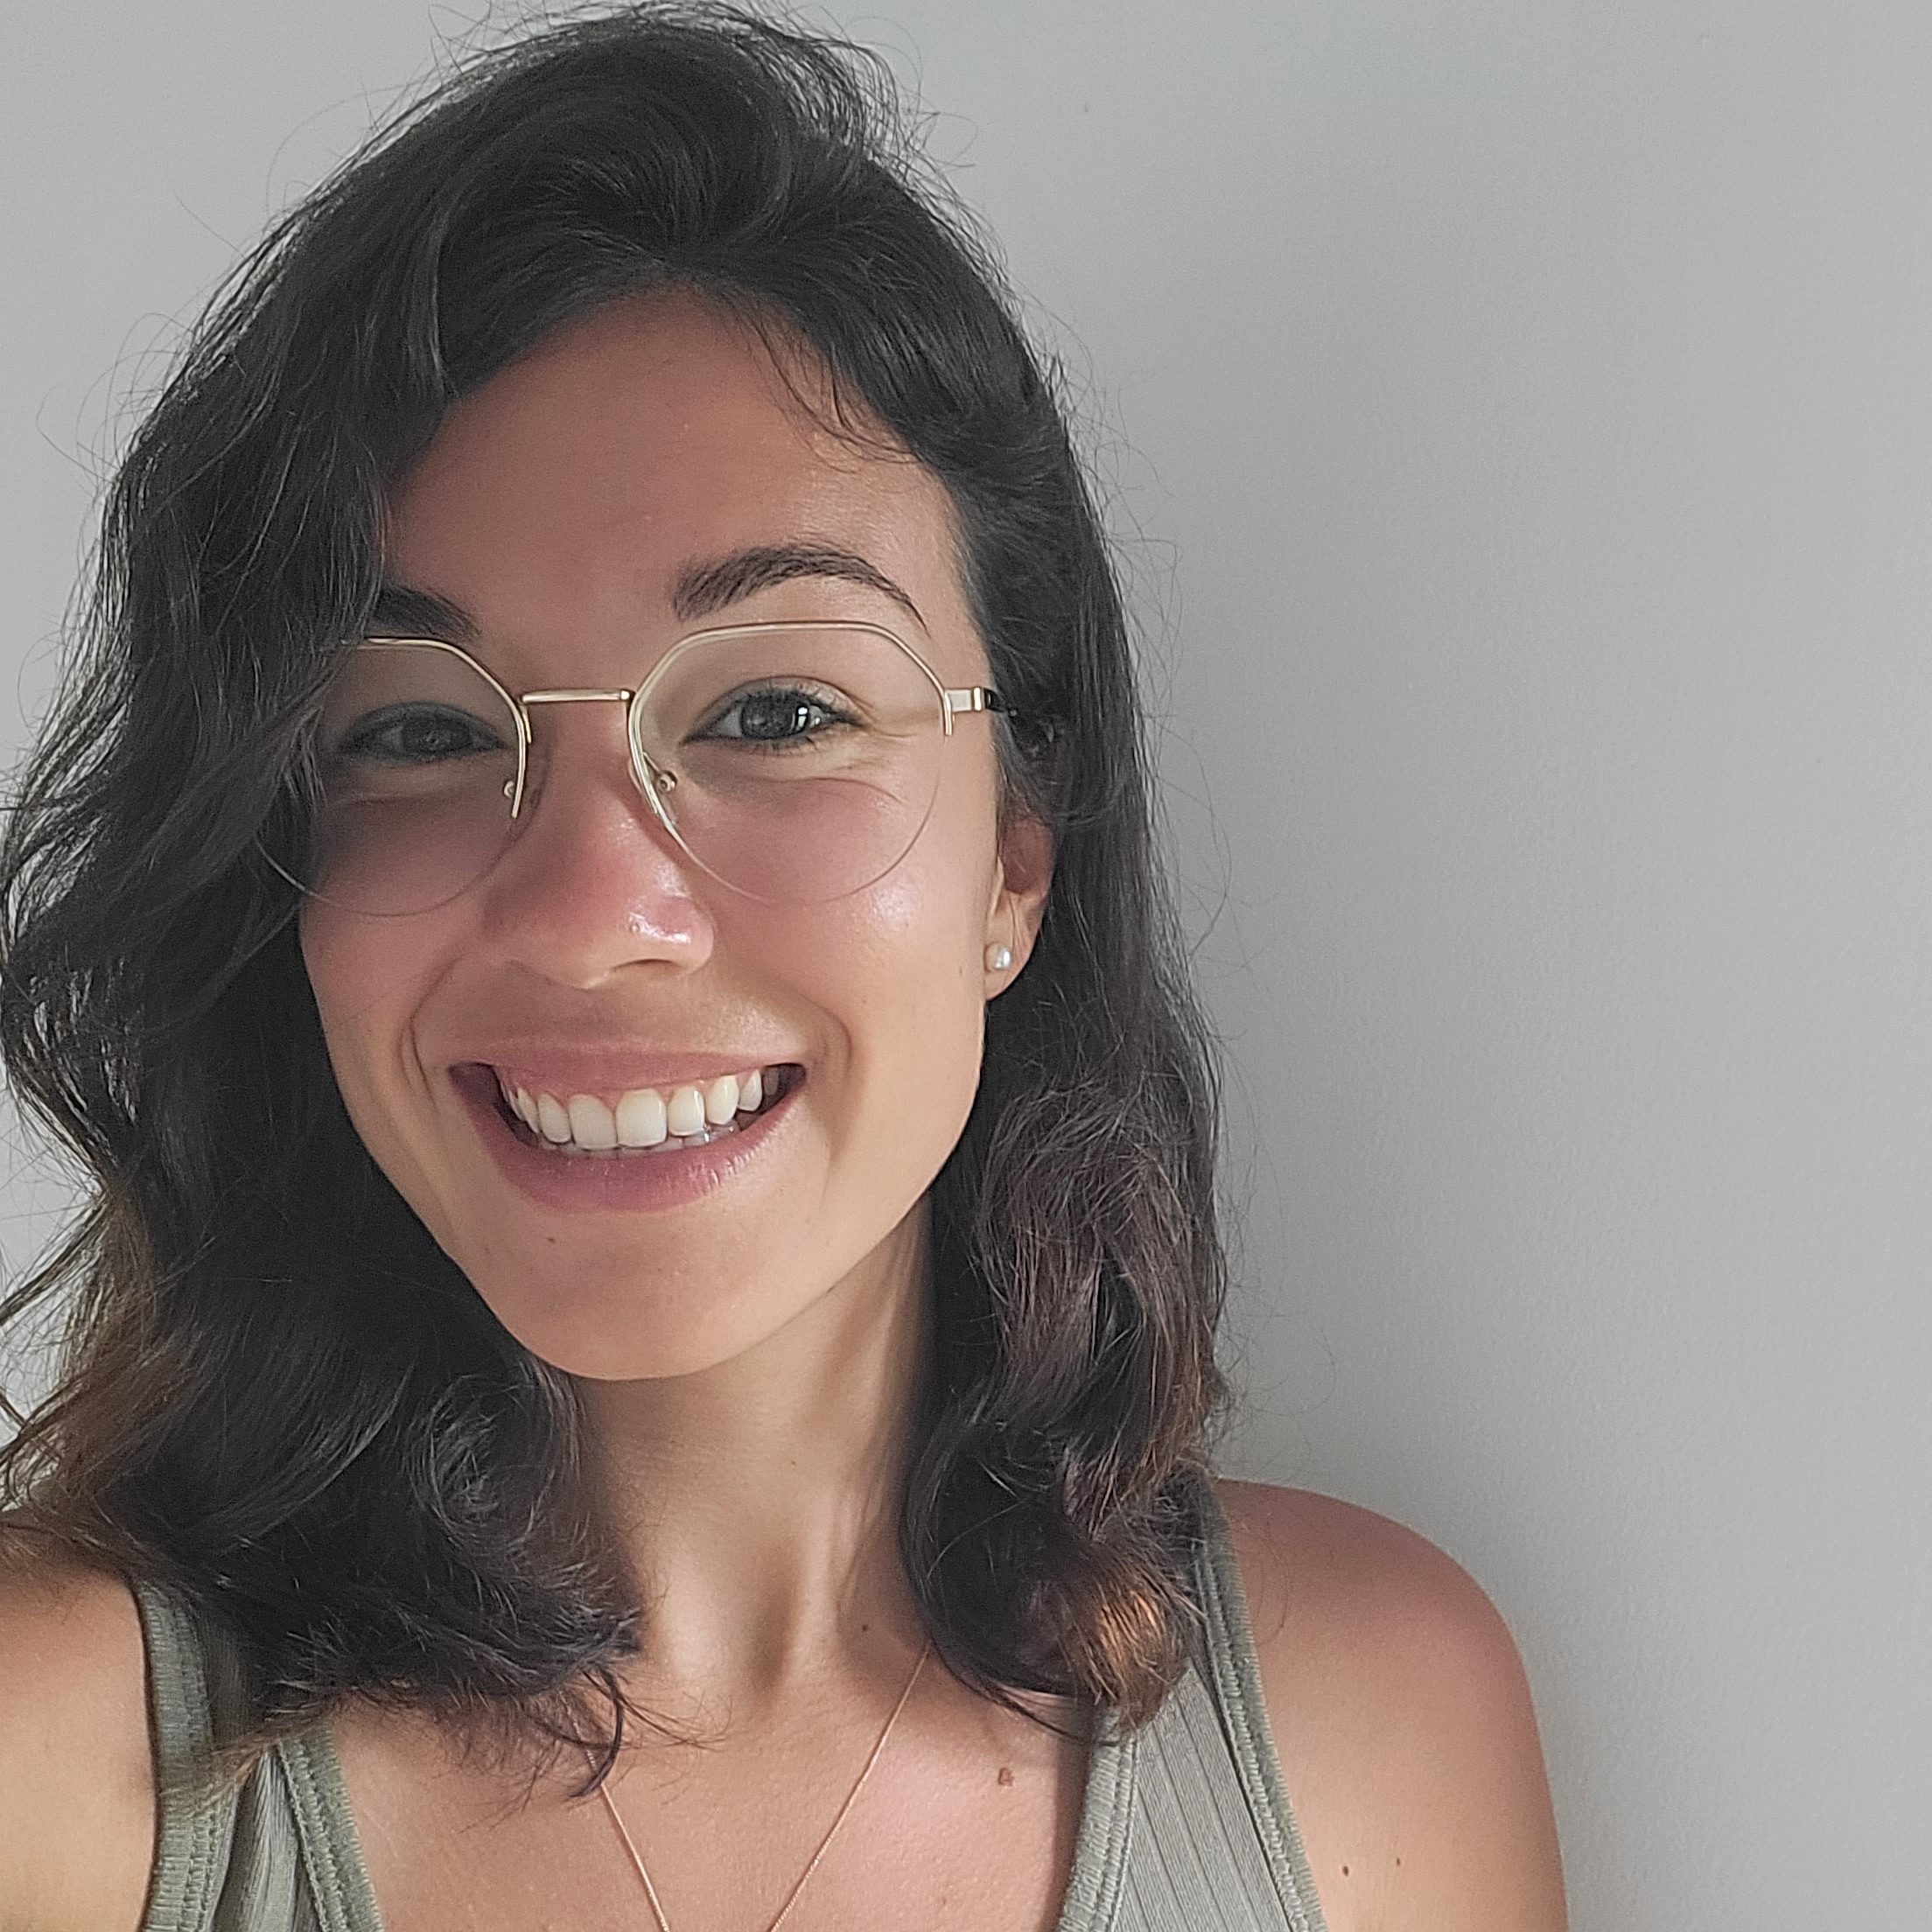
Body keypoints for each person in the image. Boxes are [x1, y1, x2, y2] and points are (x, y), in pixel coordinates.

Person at [0, 8, 1566, 1929]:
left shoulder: (1377, 1728)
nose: (590, 908)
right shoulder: (45, 1767)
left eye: (775, 709)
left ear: (1016, 855)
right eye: (416, 730)